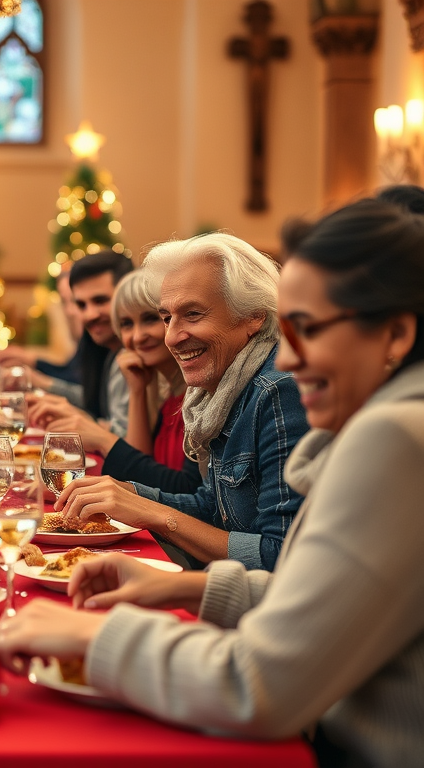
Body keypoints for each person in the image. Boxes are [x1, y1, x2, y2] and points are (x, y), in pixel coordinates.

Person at [0, 198, 424, 768]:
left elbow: (258, 685)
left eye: (309, 329)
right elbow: (316, 594)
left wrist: (92, 637)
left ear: (395, 335)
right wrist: (180, 587)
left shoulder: (394, 438)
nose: (289, 361)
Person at [55, 233, 308, 571]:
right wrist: (128, 492)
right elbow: (213, 506)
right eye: (166, 317)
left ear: (253, 316)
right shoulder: (220, 388)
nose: (171, 336)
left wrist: (155, 514)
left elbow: (280, 556)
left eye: (193, 314)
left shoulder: (276, 391)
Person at [32, 270, 200, 494]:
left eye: (151, 319)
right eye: (126, 324)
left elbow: (185, 492)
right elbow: (140, 471)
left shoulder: (198, 395)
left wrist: (104, 440)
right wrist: (138, 390)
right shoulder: (163, 391)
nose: (137, 336)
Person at [28, 250, 133, 437]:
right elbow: (93, 403)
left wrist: (78, 417)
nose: (89, 315)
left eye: (100, 301)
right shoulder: (106, 348)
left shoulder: (139, 353)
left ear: (128, 295)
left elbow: (128, 440)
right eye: (81, 305)